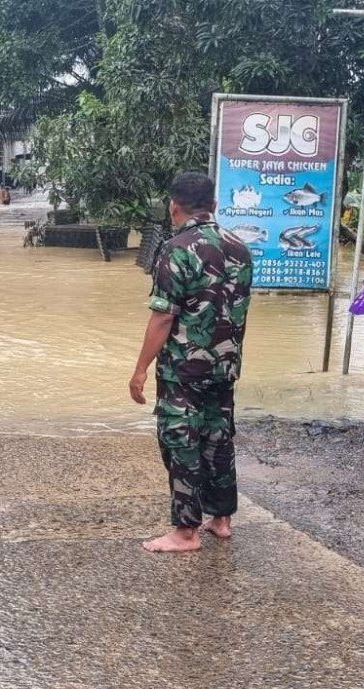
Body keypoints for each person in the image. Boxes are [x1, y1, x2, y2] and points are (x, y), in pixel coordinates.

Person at [129, 171, 253, 553]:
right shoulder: (240, 247)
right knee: (219, 437)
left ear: (173, 207)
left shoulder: (175, 248)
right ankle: (222, 519)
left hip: (184, 368)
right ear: (214, 205)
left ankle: (185, 532)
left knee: (181, 439)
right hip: (225, 365)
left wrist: (140, 369)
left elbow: (164, 316)